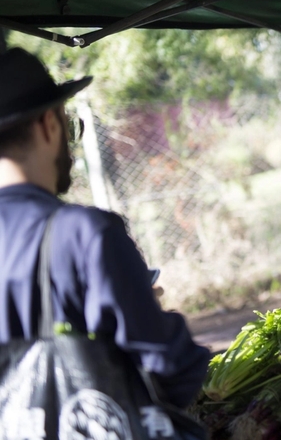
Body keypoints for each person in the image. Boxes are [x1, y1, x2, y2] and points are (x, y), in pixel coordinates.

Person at [0, 47, 210, 408]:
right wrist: (145, 311)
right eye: (68, 125)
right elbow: (168, 371)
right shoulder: (83, 234)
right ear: (48, 124)